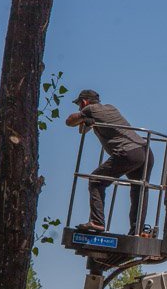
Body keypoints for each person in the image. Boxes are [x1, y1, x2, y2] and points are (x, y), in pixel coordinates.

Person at [66, 89, 155, 236]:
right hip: (144, 151)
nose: (79, 108)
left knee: (96, 180)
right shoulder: (110, 108)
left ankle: (97, 222)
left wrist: (82, 116)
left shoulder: (90, 109)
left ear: (84, 102)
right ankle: (137, 232)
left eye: (79, 105)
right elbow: (82, 130)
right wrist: (85, 121)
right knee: (139, 190)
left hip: (128, 153)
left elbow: (69, 122)